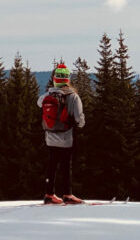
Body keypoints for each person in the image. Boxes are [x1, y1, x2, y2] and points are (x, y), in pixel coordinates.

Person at [37, 63, 85, 204]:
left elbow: (39, 103)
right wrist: (80, 125)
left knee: (51, 165)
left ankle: (49, 194)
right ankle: (67, 194)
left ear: (55, 79)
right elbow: (79, 117)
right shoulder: (73, 96)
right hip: (66, 137)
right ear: (68, 79)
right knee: (66, 165)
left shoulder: (48, 95)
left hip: (50, 137)